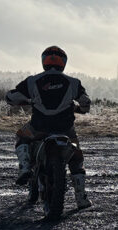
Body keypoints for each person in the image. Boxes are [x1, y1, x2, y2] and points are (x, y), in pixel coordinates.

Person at [5, 45, 92, 208]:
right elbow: (86, 103)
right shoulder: (73, 83)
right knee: (76, 159)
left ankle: (24, 167)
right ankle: (81, 198)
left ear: (44, 61)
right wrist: (79, 108)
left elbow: (11, 97)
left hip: (39, 127)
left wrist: (26, 101)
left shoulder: (32, 81)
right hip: (66, 129)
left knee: (21, 136)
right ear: (64, 62)